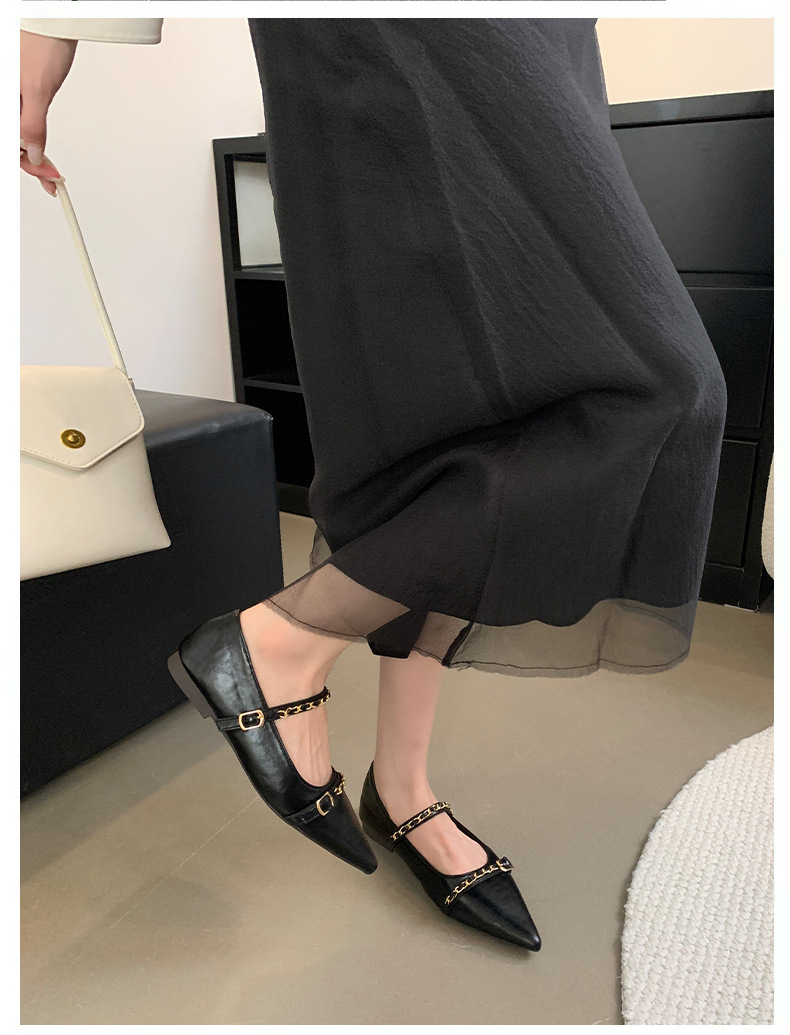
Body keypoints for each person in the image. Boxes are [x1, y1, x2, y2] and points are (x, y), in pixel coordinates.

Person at [20, 16, 728, 953]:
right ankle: (281, 642)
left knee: (455, 425)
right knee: (662, 386)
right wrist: (58, 21)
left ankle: (400, 784)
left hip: (552, 30)